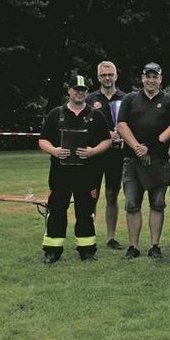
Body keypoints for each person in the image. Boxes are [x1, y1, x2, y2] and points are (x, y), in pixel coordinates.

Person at [38, 75, 112, 263]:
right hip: (60, 173)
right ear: (68, 91)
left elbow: (107, 140)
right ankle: (52, 250)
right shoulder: (56, 114)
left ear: (86, 93)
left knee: (85, 211)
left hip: (87, 174)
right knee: (56, 210)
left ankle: (87, 249)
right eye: (76, 89)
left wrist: (93, 151)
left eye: (83, 90)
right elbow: (42, 139)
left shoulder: (96, 115)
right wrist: (54, 151)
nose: (80, 92)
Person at [116, 62, 170, 259]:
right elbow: (121, 125)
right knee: (132, 204)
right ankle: (133, 246)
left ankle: (155, 246)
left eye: (155, 77)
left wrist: (149, 147)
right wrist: (137, 146)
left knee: (158, 204)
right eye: (148, 76)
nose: (151, 80)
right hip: (131, 159)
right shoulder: (130, 99)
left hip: (159, 159)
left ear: (161, 79)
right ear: (142, 78)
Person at [86, 61, 127, 249]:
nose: (107, 78)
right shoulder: (89, 99)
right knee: (91, 195)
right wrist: (104, 135)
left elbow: (131, 125)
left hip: (116, 155)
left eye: (110, 74)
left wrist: (123, 137)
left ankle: (111, 237)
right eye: (103, 75)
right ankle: (88, 233)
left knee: (112, 194)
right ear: (98, 77)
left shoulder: (126, 98)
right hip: (94, 154)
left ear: (116, 76)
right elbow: (84, 127)